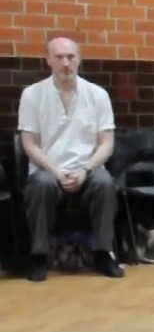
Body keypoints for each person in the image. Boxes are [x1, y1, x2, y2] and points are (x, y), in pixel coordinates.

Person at [18, 37, 125, 283]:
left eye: (70, 57)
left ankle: (102, 252)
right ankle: (38, 255)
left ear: (79, 59)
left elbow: (106, 143)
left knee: (105, 184)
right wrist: (56, 171)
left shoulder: (98, 94)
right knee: (42, 185)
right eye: (59, 57)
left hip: (87, 166)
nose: (65, 63)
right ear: (48, 60)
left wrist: (86, 169)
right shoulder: (32, 94)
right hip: (48, 167)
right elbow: (29, 144)